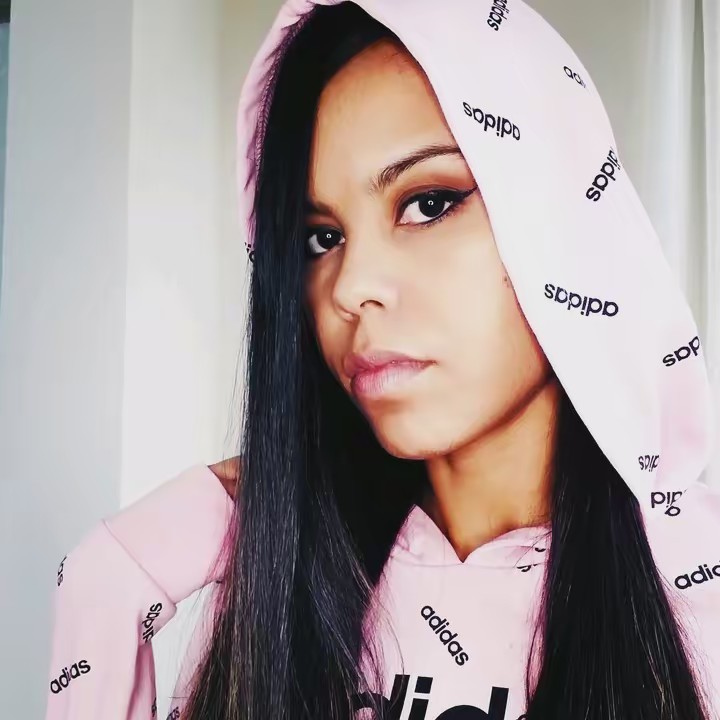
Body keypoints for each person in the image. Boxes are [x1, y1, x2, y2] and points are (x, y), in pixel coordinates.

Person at [45, 1, 720, 719]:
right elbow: (108, 586)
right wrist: (116, 573)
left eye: (428, 203)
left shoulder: (694, 584)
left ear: (565, 213)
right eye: (321, 239)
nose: (350, 287)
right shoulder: (281, 594)